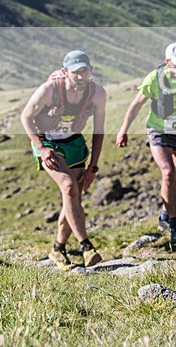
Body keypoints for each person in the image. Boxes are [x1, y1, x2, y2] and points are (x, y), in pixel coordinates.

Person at [116, 42, 176, 244]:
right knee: (168, 172)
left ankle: (165, 215)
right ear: (167, 62)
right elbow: (136, 105)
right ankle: (174, 224)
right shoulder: (155, 78)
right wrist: (123, 130)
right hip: (159, 130)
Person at [21, 50, 107, 269]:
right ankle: (86, 247)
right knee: (68, 187)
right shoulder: (50, 90)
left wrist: (93, 167)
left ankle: (58, 249)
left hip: (75, 143)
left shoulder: (97, 93)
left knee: (73, 197)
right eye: (75, 72)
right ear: (65, 71)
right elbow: (26, 117)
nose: (80, 76)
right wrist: (41, 148)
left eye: (84, 71)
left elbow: (99, 131)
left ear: (91, 71)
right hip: (49, 143)